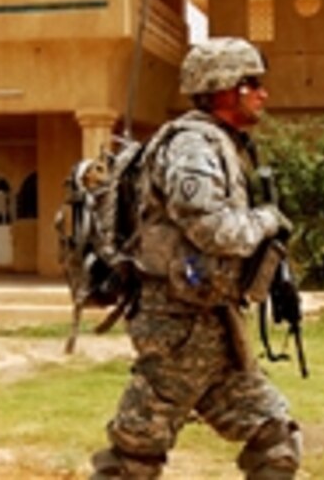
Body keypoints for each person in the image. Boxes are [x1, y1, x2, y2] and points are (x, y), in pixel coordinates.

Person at [91, 37, 301, 479]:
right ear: (223, 88)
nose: (263, 94)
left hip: (210, 319)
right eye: (253, 83)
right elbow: (213, 230)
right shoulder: (192, 147)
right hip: (178, 326)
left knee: (274, 439)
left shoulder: (220, 143)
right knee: (136, 455)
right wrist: (267, 220)